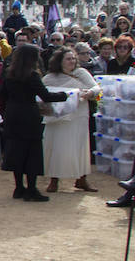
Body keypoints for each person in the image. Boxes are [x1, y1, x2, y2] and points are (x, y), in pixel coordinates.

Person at [0, 43, 68, 202]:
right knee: (32, 153)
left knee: (16, 151)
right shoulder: (32, 75)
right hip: (29, 115)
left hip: (13, 114)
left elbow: (2, 96)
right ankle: (31, 189)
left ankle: (18, 188)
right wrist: (65, 95)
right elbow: (46, 96)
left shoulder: (9, 73)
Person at [40, 47, 100, 193]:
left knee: (79, 146)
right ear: (60, 61)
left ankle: (81, 179)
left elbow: (96, 88)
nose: (71, 61)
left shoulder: (81, 73)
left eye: (73, 58)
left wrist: (89, 93)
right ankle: (54, 180)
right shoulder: (50, 77)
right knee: (57, 147)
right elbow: (41, 93)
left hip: (78, 116)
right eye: (68, 58)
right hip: (57, 118)